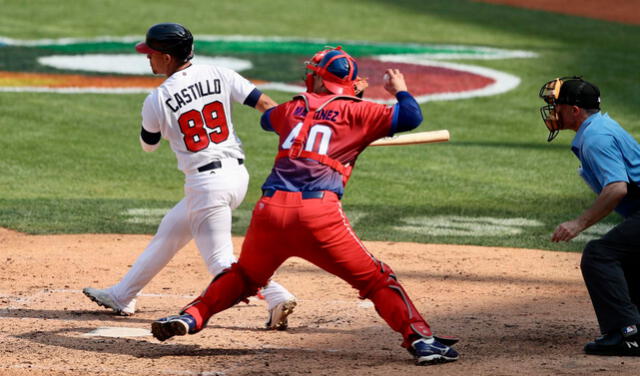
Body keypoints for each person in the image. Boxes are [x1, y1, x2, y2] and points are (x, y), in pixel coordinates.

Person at [150, 46, 460, 366]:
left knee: (245, 276)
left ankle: (191, 316)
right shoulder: (360, 112)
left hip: (269, 212)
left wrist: (322, 111)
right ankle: (422, 340)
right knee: (376, 279)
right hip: (318, 217)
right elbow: (411, 116)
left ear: (317, 79)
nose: (306, 77)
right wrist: (399, 91)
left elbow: (269, 121)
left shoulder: (293, 107)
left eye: (311, 74)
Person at [82, 22, 297, 330]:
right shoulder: (220, 74)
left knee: (221, 263)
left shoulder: (157, 99)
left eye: (151, 54)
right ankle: (122, 294)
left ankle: (277, 296)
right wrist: (295, 133)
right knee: (171, 230)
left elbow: (148, 146)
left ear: (167, 58)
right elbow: (266, 105)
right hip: (237, 176)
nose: (147, 59)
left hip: (206, 185)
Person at [539, 76, 640, 356]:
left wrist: (578, 223)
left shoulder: (595, 137)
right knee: (626, 255)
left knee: (600, 255)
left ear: (574, 110)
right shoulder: (600, 127)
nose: (553, 110)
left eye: (557, 105)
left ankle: (626, 333)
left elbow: (617, 188)